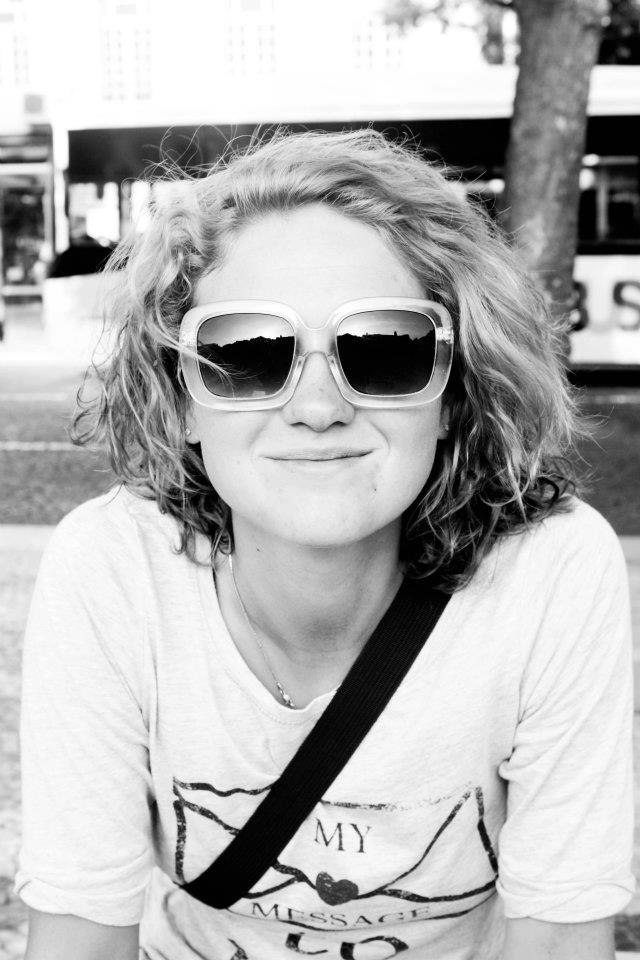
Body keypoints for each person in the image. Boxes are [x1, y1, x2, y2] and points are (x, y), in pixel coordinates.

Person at [15, 129, 635, 960]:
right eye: (245, 354)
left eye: (383, 350)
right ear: (183, 397)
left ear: (454, 394)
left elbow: (560, 942)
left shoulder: (550, 575)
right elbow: (78, 941)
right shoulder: (112, 572)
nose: (317, 408)